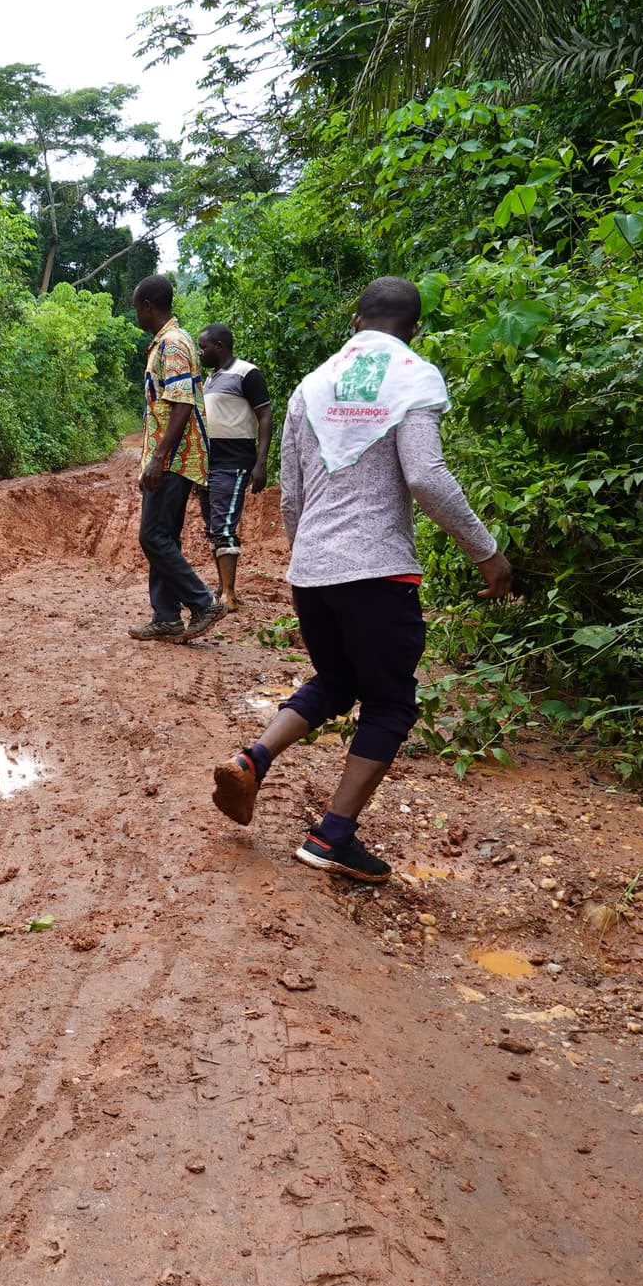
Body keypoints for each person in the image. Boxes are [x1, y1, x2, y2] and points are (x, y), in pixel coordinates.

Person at [210, 276, 513, 884]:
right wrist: (487, 552)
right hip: (378, 570)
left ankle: (254, 758)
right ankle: (332, 836)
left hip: (312, 570)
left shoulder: (310, 386)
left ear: (355, 320)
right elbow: (426, 477)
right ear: (414, 328)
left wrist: (311, 561)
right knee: (392, 703)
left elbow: (293, 494)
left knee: (339, 679)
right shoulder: (415, 376)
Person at [129, 274, 224, 643]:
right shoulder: (168, 342)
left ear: (149, 307)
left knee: (152, 536)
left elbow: (182, 404)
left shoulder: (173, 344)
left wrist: (158, 458)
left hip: (175, 458)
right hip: (172, 456)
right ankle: (166, 616)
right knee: (163, 535)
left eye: (138, 308)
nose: (137, 314)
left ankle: (202, 602)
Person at [196, 324, 271, 613]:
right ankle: (224, 588)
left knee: (225, 526)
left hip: (235, 460)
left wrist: (260, 462)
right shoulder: (211, 378)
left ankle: (229, 593)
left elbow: (264, 415)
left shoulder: (247, 373)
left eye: (204, 347)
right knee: (213, 527)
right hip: (209, 462)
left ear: (219, 346)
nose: (201, 353)